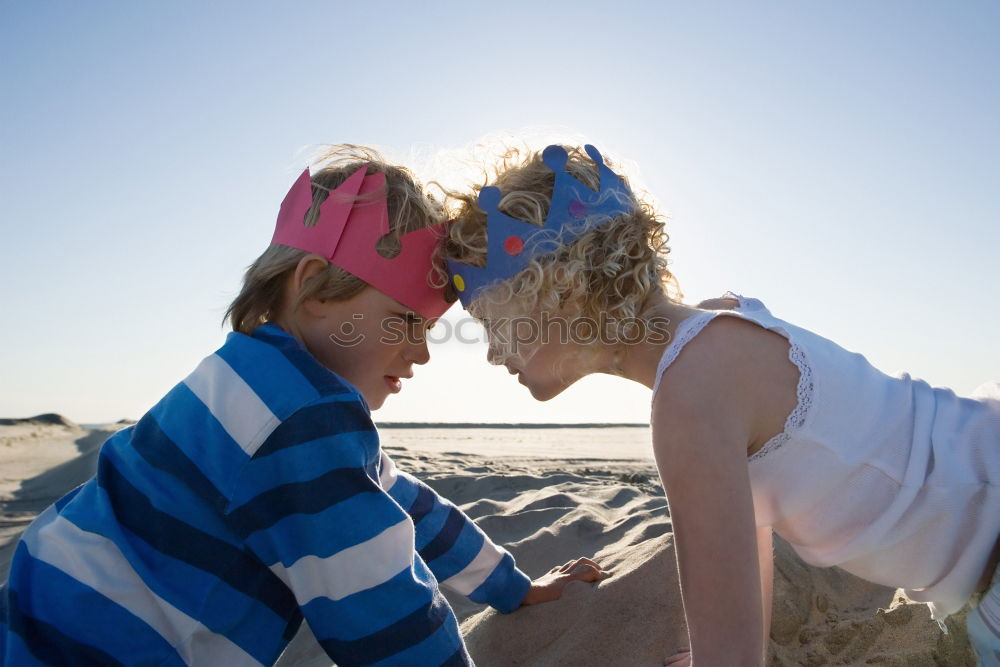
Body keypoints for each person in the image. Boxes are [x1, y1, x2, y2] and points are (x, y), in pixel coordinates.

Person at [0, 145, 604, 666]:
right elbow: (380, 611)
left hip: (47, 609)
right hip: (99, 645)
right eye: (404, 321)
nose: (421, 354)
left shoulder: (256, 381)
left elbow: (395, 499)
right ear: (315, 286)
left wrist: (510, 586)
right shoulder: (298, 418)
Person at [444, 142, 1000, 666]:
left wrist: (725, 656)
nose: (492, 352)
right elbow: (747, 527)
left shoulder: (690, 395)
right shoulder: (722, 325)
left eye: (495, 323)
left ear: (560, 292)